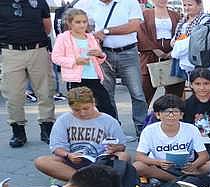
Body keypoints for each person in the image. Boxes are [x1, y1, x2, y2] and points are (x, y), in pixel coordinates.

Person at [76, 0, 147, 135]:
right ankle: (113, 129)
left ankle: (141, 128)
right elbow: (78, 25)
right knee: (106, 95)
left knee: (137, 93)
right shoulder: (88, 4)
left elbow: (134, 26)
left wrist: (106, 31)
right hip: (103, 53)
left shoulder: (130, 2)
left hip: (128, 53)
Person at [34, 86, 129, 181]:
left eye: (86, 108)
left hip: (101, 162)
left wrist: (114, 148)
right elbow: (56, 147)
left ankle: (95, 180)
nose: (82, 113)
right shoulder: (64, 120)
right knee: (41, 161)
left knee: (123, 156)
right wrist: (68, 155)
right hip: (73, 161)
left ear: (93, 103)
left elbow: (122, 146)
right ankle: (82, 180)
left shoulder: (108, 120)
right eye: (76, 110)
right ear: (70, 107)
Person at [0, 0, 56, 147]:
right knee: (13, 94)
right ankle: (18, 132)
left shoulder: (39, 2)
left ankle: (47, 129)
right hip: (10, 52)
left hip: (37, 50)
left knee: (45, 91)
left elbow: (47, 27)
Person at [51, 9, 117, 119]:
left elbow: (100, 59)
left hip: (94, 77)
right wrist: (75, 61)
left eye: (84, 22)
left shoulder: (90, 37)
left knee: (106, 106)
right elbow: (56, 58)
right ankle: (83, 132)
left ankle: (112, 131)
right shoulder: (63, 38)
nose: (82, 25)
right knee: (81, 109)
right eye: (78, 22)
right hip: (76, 80)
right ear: (69, 23)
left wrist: (100, 54)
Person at [133, 94, 209, 182]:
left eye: (175, 112)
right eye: (166, 112)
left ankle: (184, 178)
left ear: (181, 115)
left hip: (187, 168)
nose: (171, 115)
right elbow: (139, 156)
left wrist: (193, 165)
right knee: (138, 166)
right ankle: (177, 180)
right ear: (158, 115)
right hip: (161, 168)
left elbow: (204, 155)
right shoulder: (149, 130)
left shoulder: (191, 129)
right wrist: (158, 162)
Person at [137, 0, 184, 105]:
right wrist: (155, 49)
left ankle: (171, 114)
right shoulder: (145, 14)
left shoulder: (175, 15)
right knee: (145, 90)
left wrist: (173, 51)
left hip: (172, 54)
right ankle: (141, 120)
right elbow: (141, 33)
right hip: (150, 55)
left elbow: (181, 33)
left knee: (174, 91)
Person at [169, 0, 208, 78]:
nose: (186, 8)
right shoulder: (183, 19)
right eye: (184, 5)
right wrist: (173, 41)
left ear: (199, 5)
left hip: (195, 58)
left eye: (190, 5)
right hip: (181, 56)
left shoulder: (204, 19)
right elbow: (176, 35)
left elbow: (198, 38)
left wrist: (179, 44)